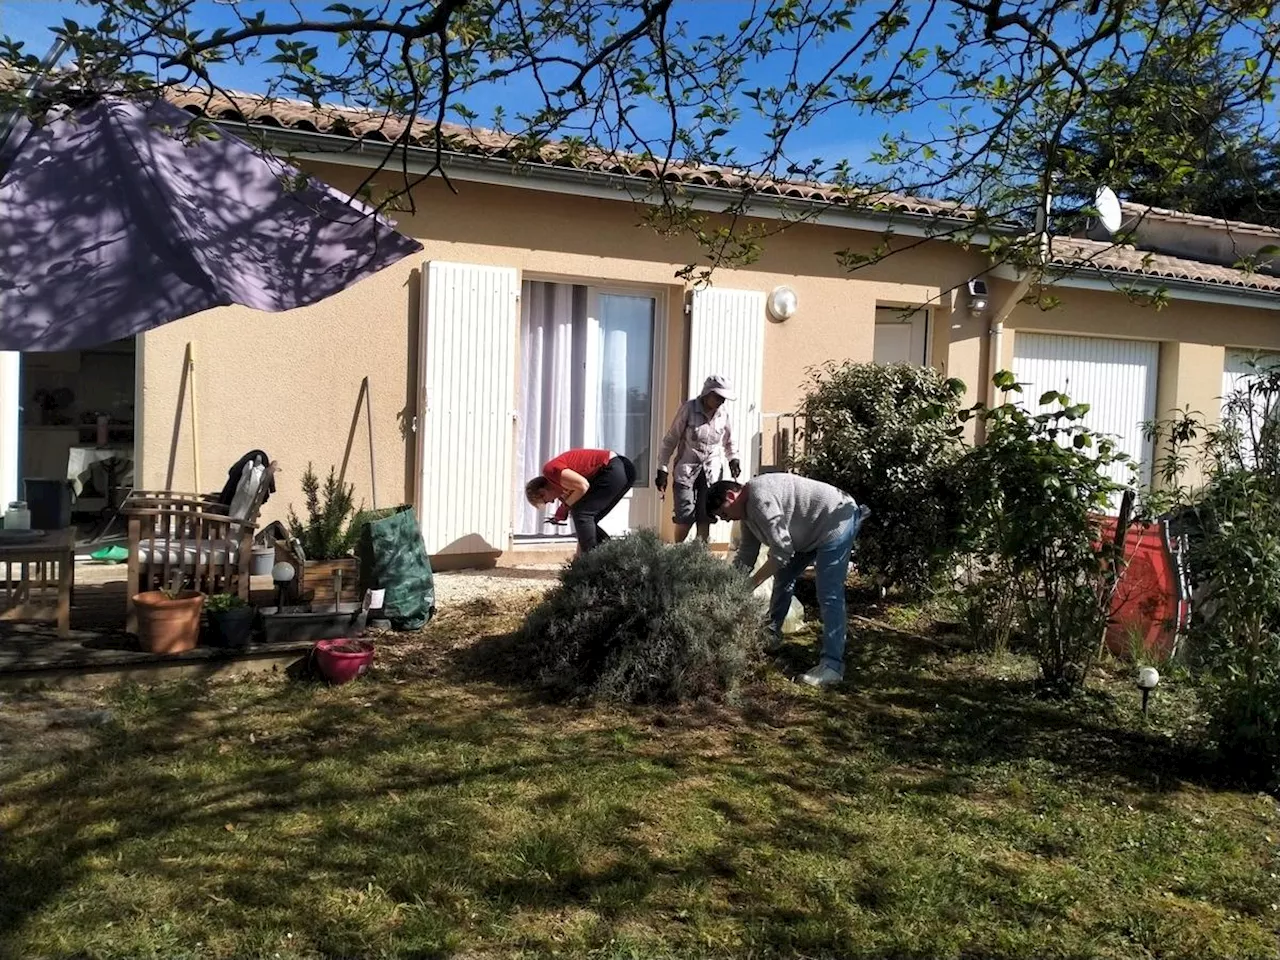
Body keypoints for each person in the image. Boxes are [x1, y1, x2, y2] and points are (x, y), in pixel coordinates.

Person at [706, 473, 869, 688]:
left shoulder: (758, 498)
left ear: (731, 495)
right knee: (784, 577)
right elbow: (746, 554)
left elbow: (782, 549)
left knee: (828, 592)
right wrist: (727, 588)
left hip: (836, 519)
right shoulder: (746, 514)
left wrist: (751, 583)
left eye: (724, 513)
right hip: (808, 534)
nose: (727, 520)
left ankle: (832, 666)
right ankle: (771, 634)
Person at [655, 374, 740, 543]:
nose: (721, 402)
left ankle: (699, 558)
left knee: (706, 516)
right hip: (686, 469)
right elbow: (671, 439)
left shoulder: (723, 414)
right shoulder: (688, 409)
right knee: (685, 516)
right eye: (718, 397)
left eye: (724, 398)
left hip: (712, 470)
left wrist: (733, 458)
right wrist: (662, 468)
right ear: (707, 393)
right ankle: (678, 554)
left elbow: (729, 441)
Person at [524, 448, 636, 554]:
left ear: (542, 491)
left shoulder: (550, 471)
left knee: (582, 514)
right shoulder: (565, 486)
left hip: (615, 468)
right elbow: (584, 525)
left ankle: (591, 563)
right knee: (587, 519)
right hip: (623, 470)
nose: (553, 502)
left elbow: (583, 485)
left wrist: (564, 507)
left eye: (547, 501)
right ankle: (611, 558)